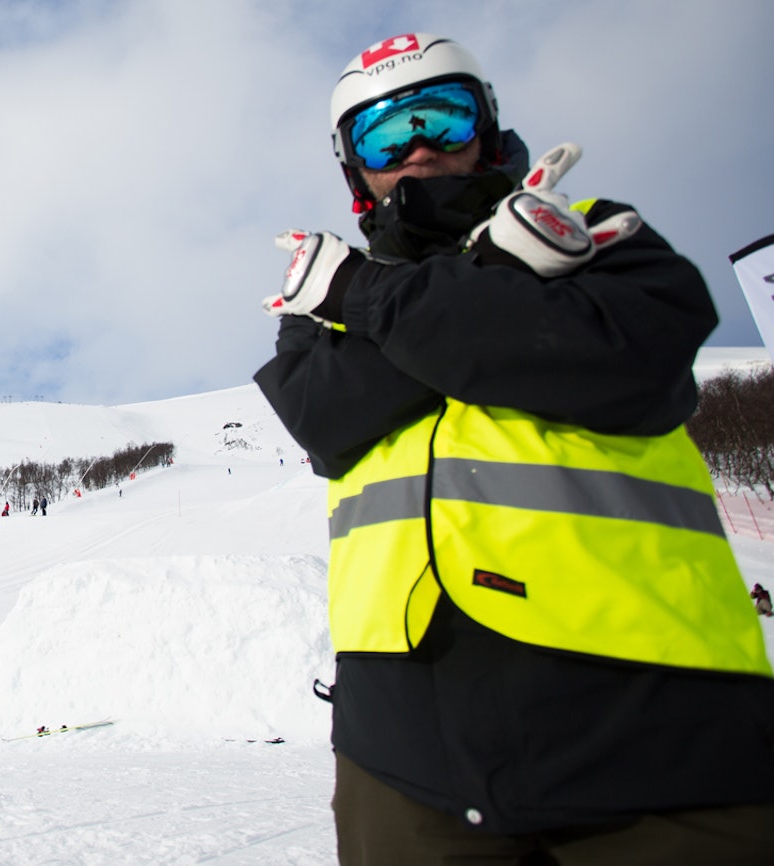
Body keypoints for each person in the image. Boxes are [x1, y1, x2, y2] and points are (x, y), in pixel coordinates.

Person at [253, 32, 774, 864]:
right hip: (402, 750)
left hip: (651, 724)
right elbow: (324, 415)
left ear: (487, 129)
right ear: (356, 171)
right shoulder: (316, 314)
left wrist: (364, 291)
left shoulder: (589, 232)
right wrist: (490, 286)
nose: (419, 148)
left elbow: (630, 363)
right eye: (387, 136)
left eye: (443, 118)